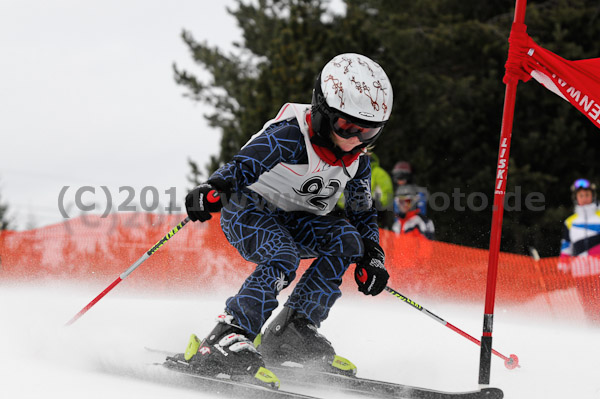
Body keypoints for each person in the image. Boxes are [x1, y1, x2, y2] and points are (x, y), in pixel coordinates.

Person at [180, 53, 393, 386]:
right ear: (323, 113)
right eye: (346, 127)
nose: (355, 140)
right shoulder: (290, 135)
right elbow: (242, 166)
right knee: (283, 254)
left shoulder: (359, 161)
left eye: (368, 132)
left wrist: (372, 257)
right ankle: (229, 333)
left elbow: (362, 213)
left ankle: (292, 330)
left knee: (347, 240)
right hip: (250, 211)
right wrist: (214, 188)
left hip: (297, 220)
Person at [558, 178, 600, 324]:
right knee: (586, 298)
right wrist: (564, 259)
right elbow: (566, 243)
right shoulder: (571, 221)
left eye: (587, 195)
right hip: (580, 269)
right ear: (576, 198)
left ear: (592, 196)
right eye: (581, 196)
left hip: (598, 267)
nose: (585, 198)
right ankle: (592, 324)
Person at [335, 152, 395, 230]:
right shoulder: (348, 173)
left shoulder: (378, 173)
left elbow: (387, 191)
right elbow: (340, 192)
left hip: (377, 214)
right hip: (352, 213)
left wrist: (379, 204)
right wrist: (347, 205)